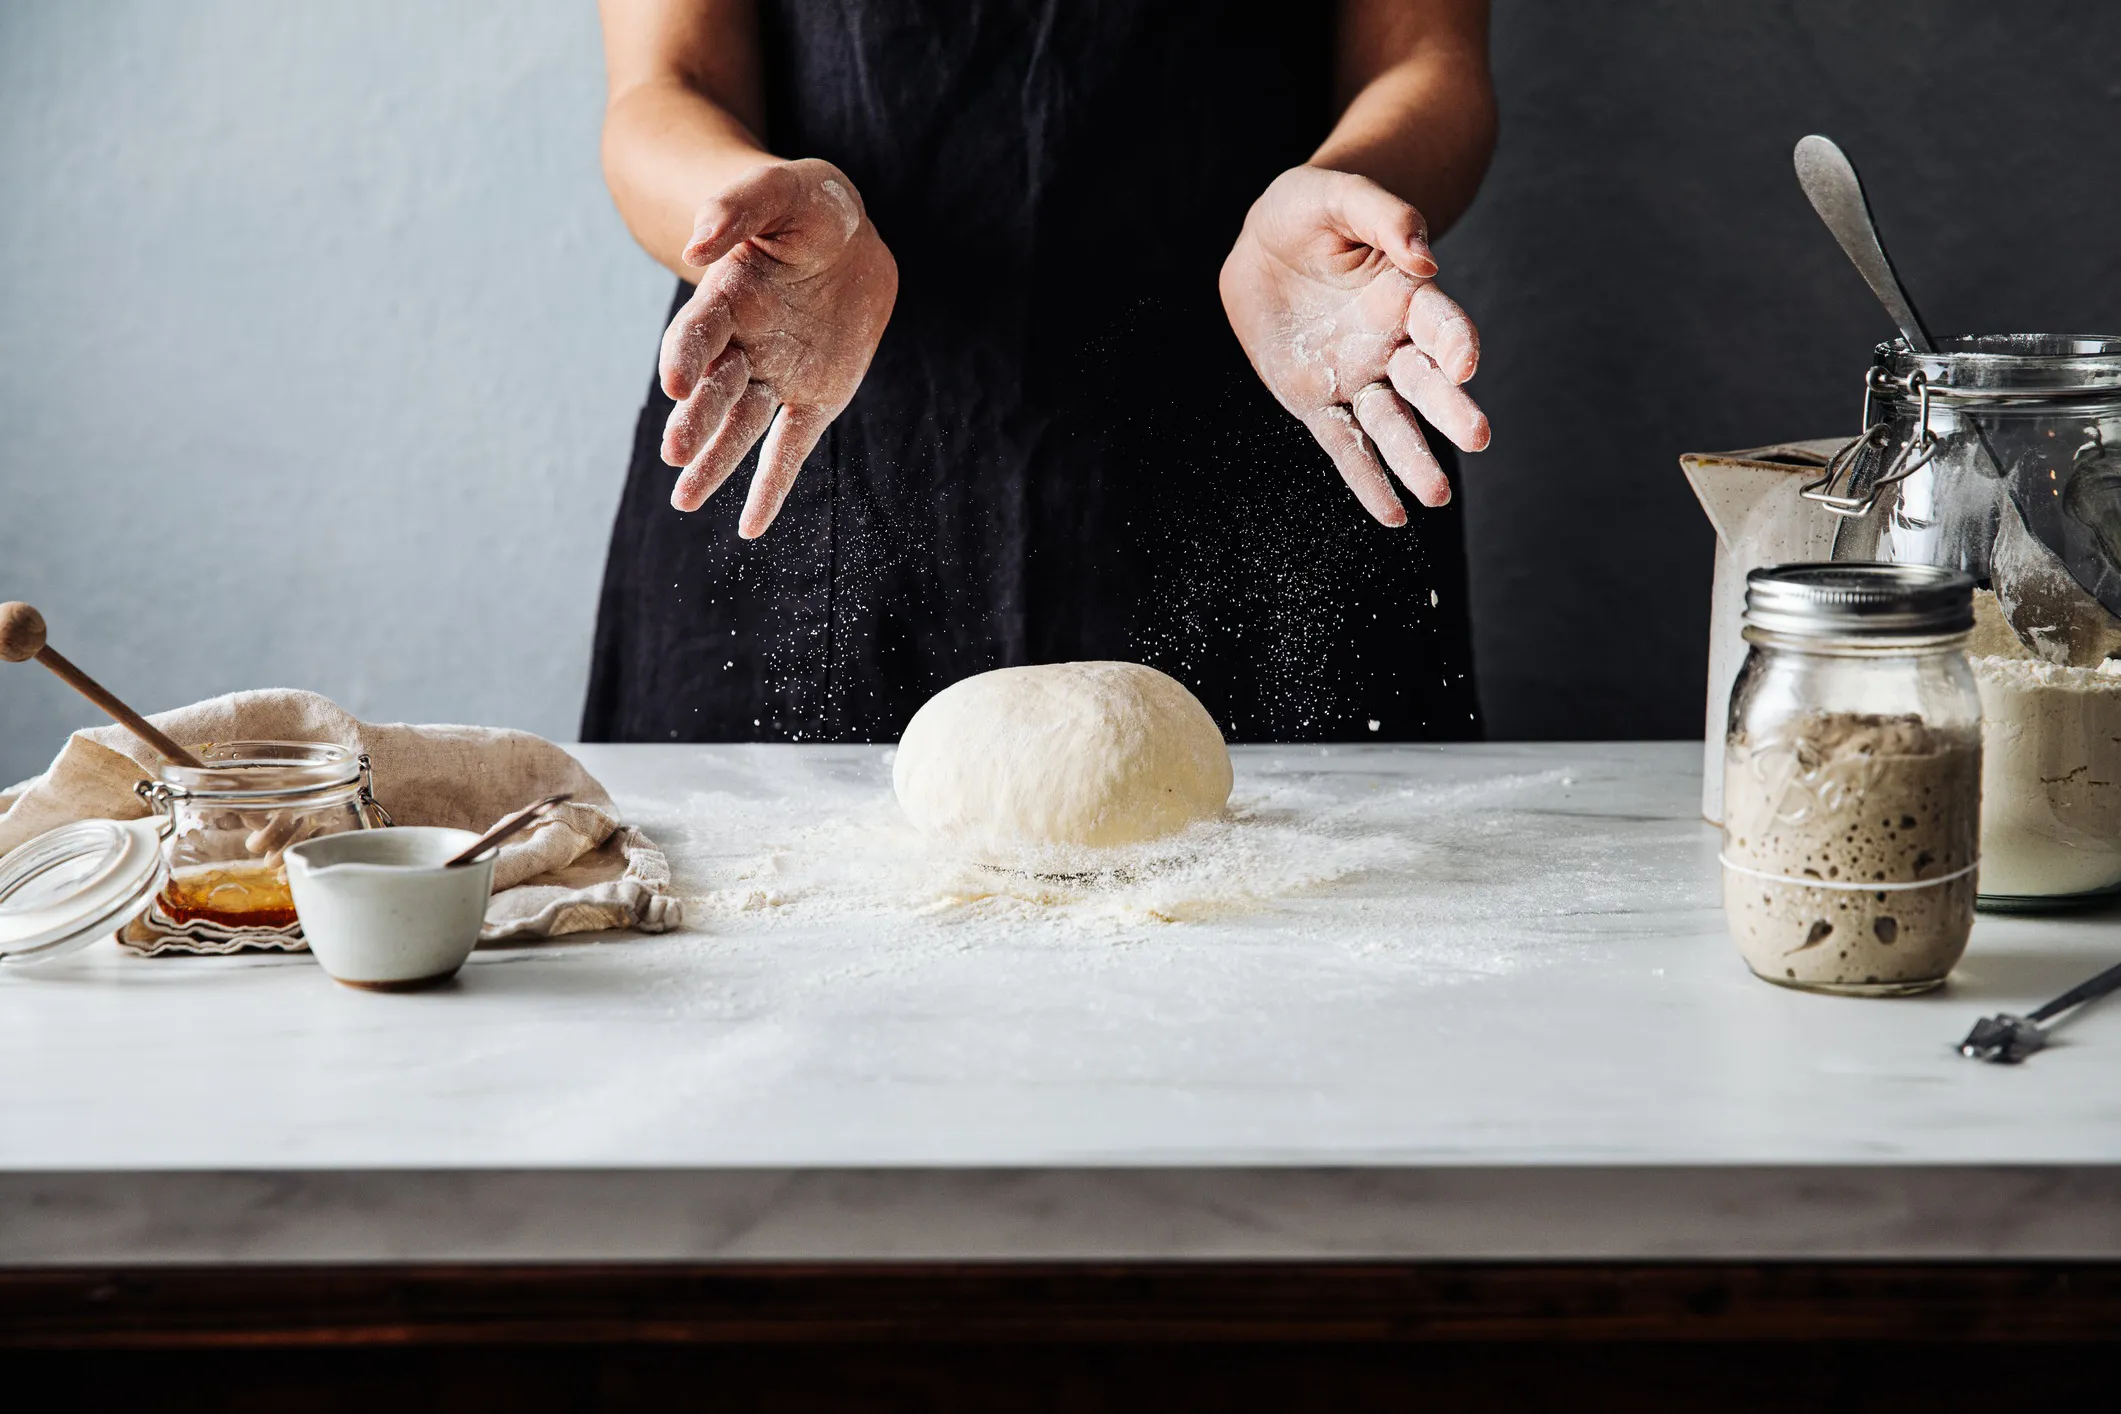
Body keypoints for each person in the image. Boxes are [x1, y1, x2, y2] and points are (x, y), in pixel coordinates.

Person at [583, 0, 1496, 745]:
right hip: (819, 420)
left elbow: (1424, 59)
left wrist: (1350, 186)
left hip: (1281, 401)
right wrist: (744, 210)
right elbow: (666, 86)